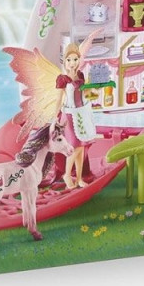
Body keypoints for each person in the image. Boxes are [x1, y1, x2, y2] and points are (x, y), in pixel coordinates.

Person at [55, 42, 96, 189]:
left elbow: (84, 93)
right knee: (75, 147)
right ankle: (67, 174)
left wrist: (94, 92)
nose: (72, 63)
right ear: (64, 61)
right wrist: (55, 117)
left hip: (82, 112)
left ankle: (78, 179)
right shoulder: (62, 79)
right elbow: (59, 99)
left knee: (82, 146)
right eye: (69, 60)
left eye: (75, 59)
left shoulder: (80, 75)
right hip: (69, 115)